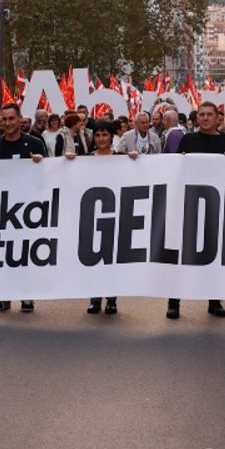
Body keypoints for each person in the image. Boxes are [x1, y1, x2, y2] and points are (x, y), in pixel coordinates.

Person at [0, 103, 47, 313]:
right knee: (0, 254)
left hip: (26, 210)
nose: (7, 123)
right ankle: (1, 295)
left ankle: (26, 295)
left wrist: (41, 163)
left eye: (11, 119)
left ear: (19, 119)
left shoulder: (34, 143)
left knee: (24, 254)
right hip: (0, 210)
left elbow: (47, 176)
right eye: (4, 119)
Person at [169, 102, 225, 320]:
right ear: (197, 119)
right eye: (202, 115)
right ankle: (174, 301)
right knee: (181, 254)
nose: (205, 118)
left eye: (209, 115)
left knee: (213, 255)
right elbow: (174, 167)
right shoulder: (188, 140)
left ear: (217, 118)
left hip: (215, 205)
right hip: (189, 203)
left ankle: (214, 301)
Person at [84, 120, 134, 316]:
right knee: (93, 259)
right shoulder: (85, 159)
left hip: (115, 216)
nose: (101, 139)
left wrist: (135, 160)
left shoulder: (121, 158)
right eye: (97, 135)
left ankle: (112, 299)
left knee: (112, 259)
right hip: (92, 216)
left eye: (104, 135)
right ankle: (94, 298)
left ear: (111, 137)